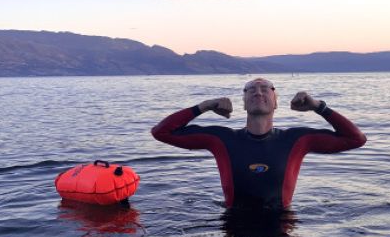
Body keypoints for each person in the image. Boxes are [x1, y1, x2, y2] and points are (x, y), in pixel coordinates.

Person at [151, 78, 367, 210]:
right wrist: (204, 106)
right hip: (233, 228)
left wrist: (319, 106)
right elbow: (161, 132)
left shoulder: (297, 140)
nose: (258, 92)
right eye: (250, 90)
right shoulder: (221, 139)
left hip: (282, 229)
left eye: (266, 88)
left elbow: (356, 139)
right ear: (243, 103)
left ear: (276, 102)